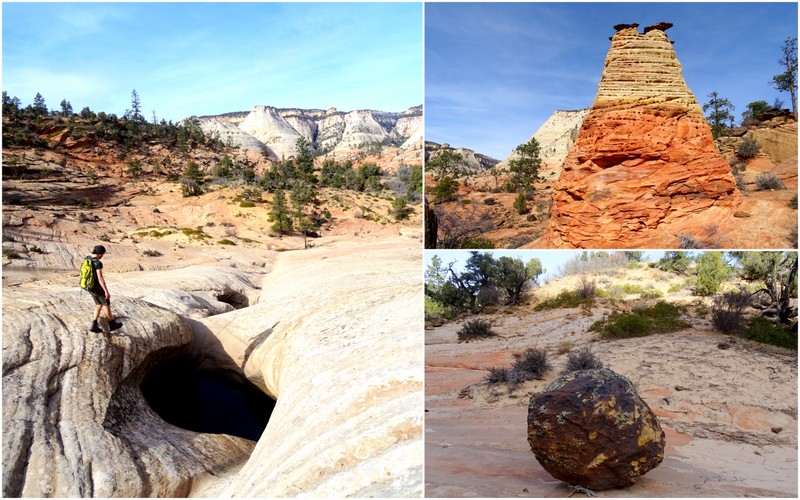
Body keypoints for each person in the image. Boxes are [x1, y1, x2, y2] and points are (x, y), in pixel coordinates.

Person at [86, 245, 123, 333]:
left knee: (99, 304)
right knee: (106, 303)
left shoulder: (87, 259)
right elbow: (100, 278)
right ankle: (112, 324)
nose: (102, 256)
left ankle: (94, 325)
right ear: (98, 254)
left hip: (89, 286)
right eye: (102, 254)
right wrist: (106, 291)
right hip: (96, 287)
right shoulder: (97, 263)